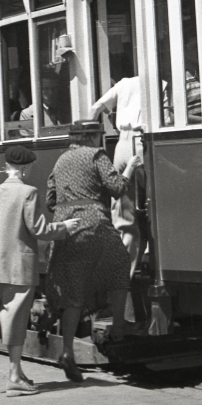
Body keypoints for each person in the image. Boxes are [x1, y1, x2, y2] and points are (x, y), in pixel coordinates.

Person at [0, 145, 80, 397]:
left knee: (7, 317)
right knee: (16, 320)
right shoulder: (28, 192)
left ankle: (17, 372)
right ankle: (14, 375)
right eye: (30, 166)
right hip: (19, 266)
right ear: (23, 168)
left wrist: (0, 240)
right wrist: (65, 227)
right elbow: (39, 229)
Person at [43, 121, 142, 382]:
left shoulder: (60, 160)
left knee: (74, 290)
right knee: (120, 261)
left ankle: (66, 352)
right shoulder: (96, 155)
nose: (102, 138)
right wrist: (130, 167)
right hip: (92, 222)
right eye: (99, 134)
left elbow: (50, 200)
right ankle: (118, 327)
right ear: (90, 136)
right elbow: (117, 188)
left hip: (65, 227)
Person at [88, 76, 145, 276]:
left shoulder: (125, 83)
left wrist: (91, 147)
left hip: (122, 144)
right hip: (143, 142)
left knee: (123, 213)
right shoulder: (162, 81)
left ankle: (121, 276)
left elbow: (95, 108)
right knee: (150, 207)